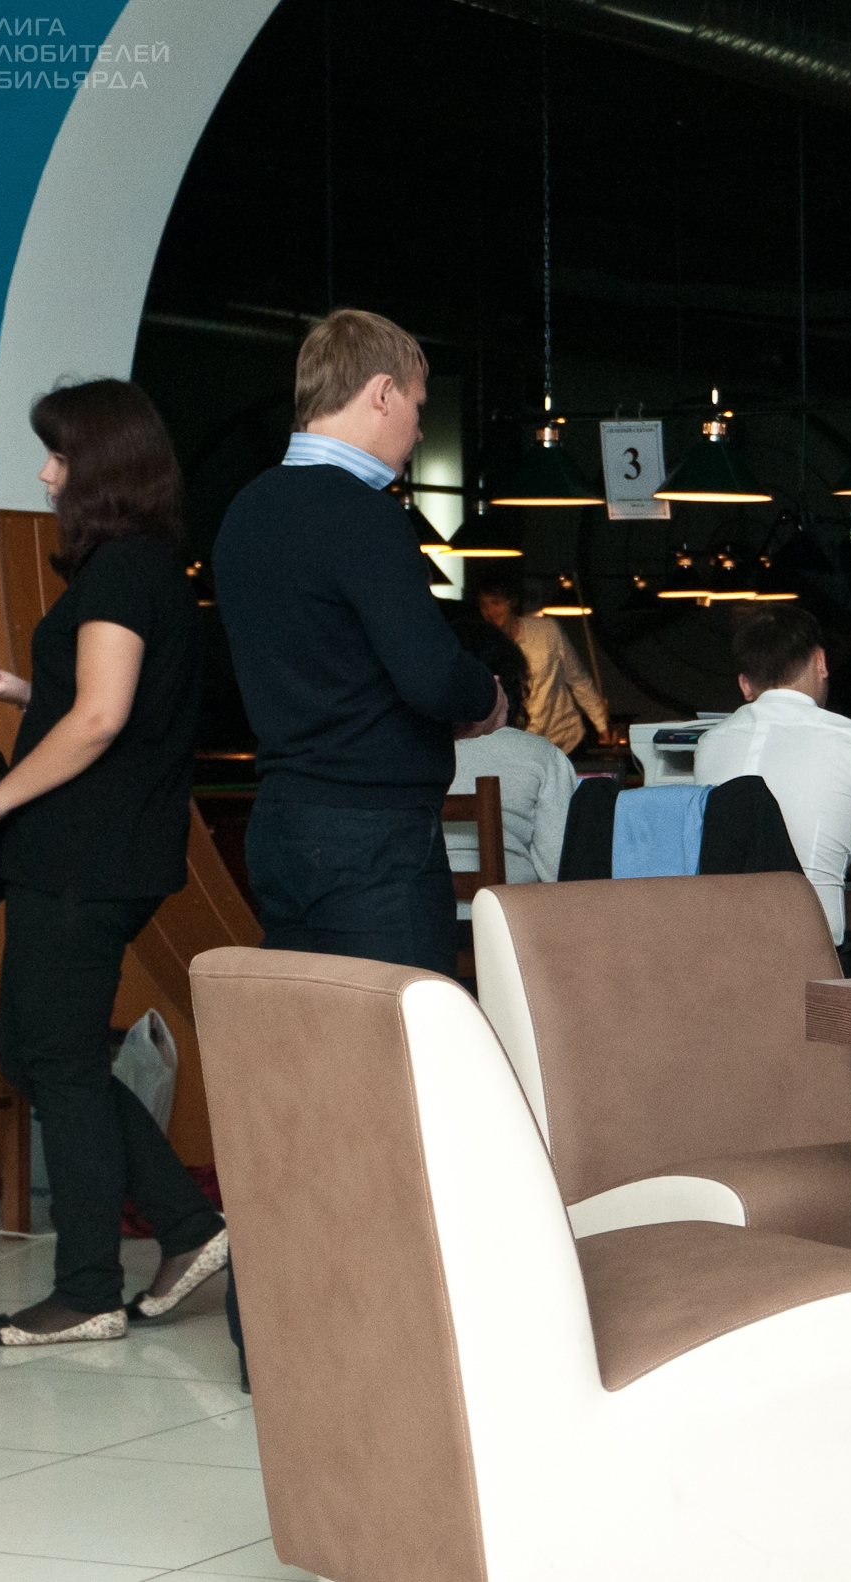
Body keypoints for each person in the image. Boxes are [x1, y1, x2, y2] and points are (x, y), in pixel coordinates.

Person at [214, 309, 505, 1386]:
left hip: (283, 826)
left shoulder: (245, 513)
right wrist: (485, 695)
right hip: (372, 836)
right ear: (379, 391)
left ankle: (271, 1330)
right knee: (398, 1084)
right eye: (417, 407)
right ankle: (384, 1334)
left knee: (302, 1085)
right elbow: (428, 674)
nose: (418, 432)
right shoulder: (362, 516)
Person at [0, 380, 229, 1349]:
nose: (46, 475)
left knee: (58, 1060)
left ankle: (87, 1290)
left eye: (60, 457)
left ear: (102, 467)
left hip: (81, 855)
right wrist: (25, 689)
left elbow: (104, 718)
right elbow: (111, 701)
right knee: (39, 1054)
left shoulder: (117, 575)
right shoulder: (150, 569)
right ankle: (187, 1226)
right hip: (106, 853)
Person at [693, 602, 851, 949]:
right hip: (809, 957)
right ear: (821, 662)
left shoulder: (710, 744)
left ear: (745, 685)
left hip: (719, 953)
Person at [446, 613, 576, 888]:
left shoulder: (394, 755)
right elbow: (559, 872)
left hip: (406, 909)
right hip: (508, 912)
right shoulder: (540, 755)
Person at [474, 574, 610, 754]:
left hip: (566, 741)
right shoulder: (484, 647)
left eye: (496, 603)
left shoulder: (548, 631)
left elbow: (578, 680)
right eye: (484, 605)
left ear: (512, 602)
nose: (490, 611)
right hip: (523, 747)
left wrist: (602, 726)